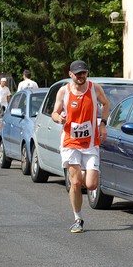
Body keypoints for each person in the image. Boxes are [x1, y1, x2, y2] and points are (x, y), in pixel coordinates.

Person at [51, 60, 110, 233]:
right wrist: (58, 118)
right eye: (78, 74)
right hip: (70, 142)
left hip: (91, 143)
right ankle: (78, 218)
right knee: (76, 183)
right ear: (71, 75)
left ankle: (83, 172)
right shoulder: (64, 91)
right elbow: (54, 112)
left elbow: (105, 104)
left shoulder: (95, 88)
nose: (81, 76)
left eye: (83, 73)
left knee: (91, 185)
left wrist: (103, 124)